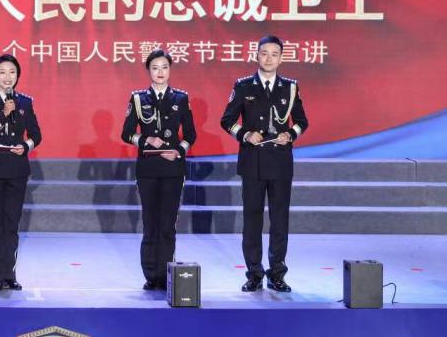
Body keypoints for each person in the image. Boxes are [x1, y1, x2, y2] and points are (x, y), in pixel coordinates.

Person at [219, 35, 308, 293]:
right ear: (256, 55)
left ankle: (277, 274)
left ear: (281, 58)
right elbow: (227, 120)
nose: (269, 58)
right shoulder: (244, 86)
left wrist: (290, 134)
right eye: (264, 53)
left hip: (280, 162)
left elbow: (302, 121)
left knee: (279, 221)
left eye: (274, 54)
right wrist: (245, 134)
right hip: (253, 162)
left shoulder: (290, 87)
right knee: (252, 220)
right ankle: (254, 274)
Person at [121, 48, 197, 291]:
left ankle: (166, 275)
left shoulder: (181, 98)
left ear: (170, 70)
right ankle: (150, 275)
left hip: (173, 169)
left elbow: (191, 135)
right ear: (149, 71)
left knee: (167, 225)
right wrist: (146, 140)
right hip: (147, 169)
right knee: (150, 223)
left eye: (164, 67)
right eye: (155, 68)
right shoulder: (138, 98)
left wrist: (180, 151)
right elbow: (126, 133)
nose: (160, 72)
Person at [0, 54, 41, 291]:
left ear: (17, 75)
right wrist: (3, 113)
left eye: (12, 72)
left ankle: (10, 275)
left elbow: (36, 135)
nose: (7, 77)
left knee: (11, 223)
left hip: (16, 170)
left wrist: (25, 146)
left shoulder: (25, 102)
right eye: (2, 72)